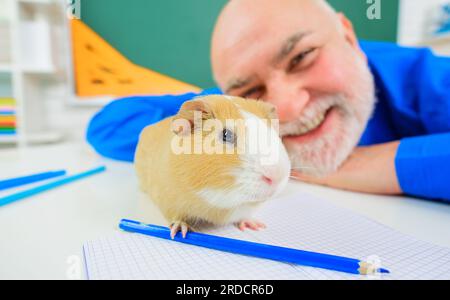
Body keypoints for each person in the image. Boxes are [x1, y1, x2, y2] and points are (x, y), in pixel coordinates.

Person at [87, 0, 450, 202]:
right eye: (250, 90)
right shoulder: (234, 114)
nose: (287, 109)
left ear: (349, 37)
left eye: (302, 57)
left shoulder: (427, 78)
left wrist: (356, 166)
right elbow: (109, 125)